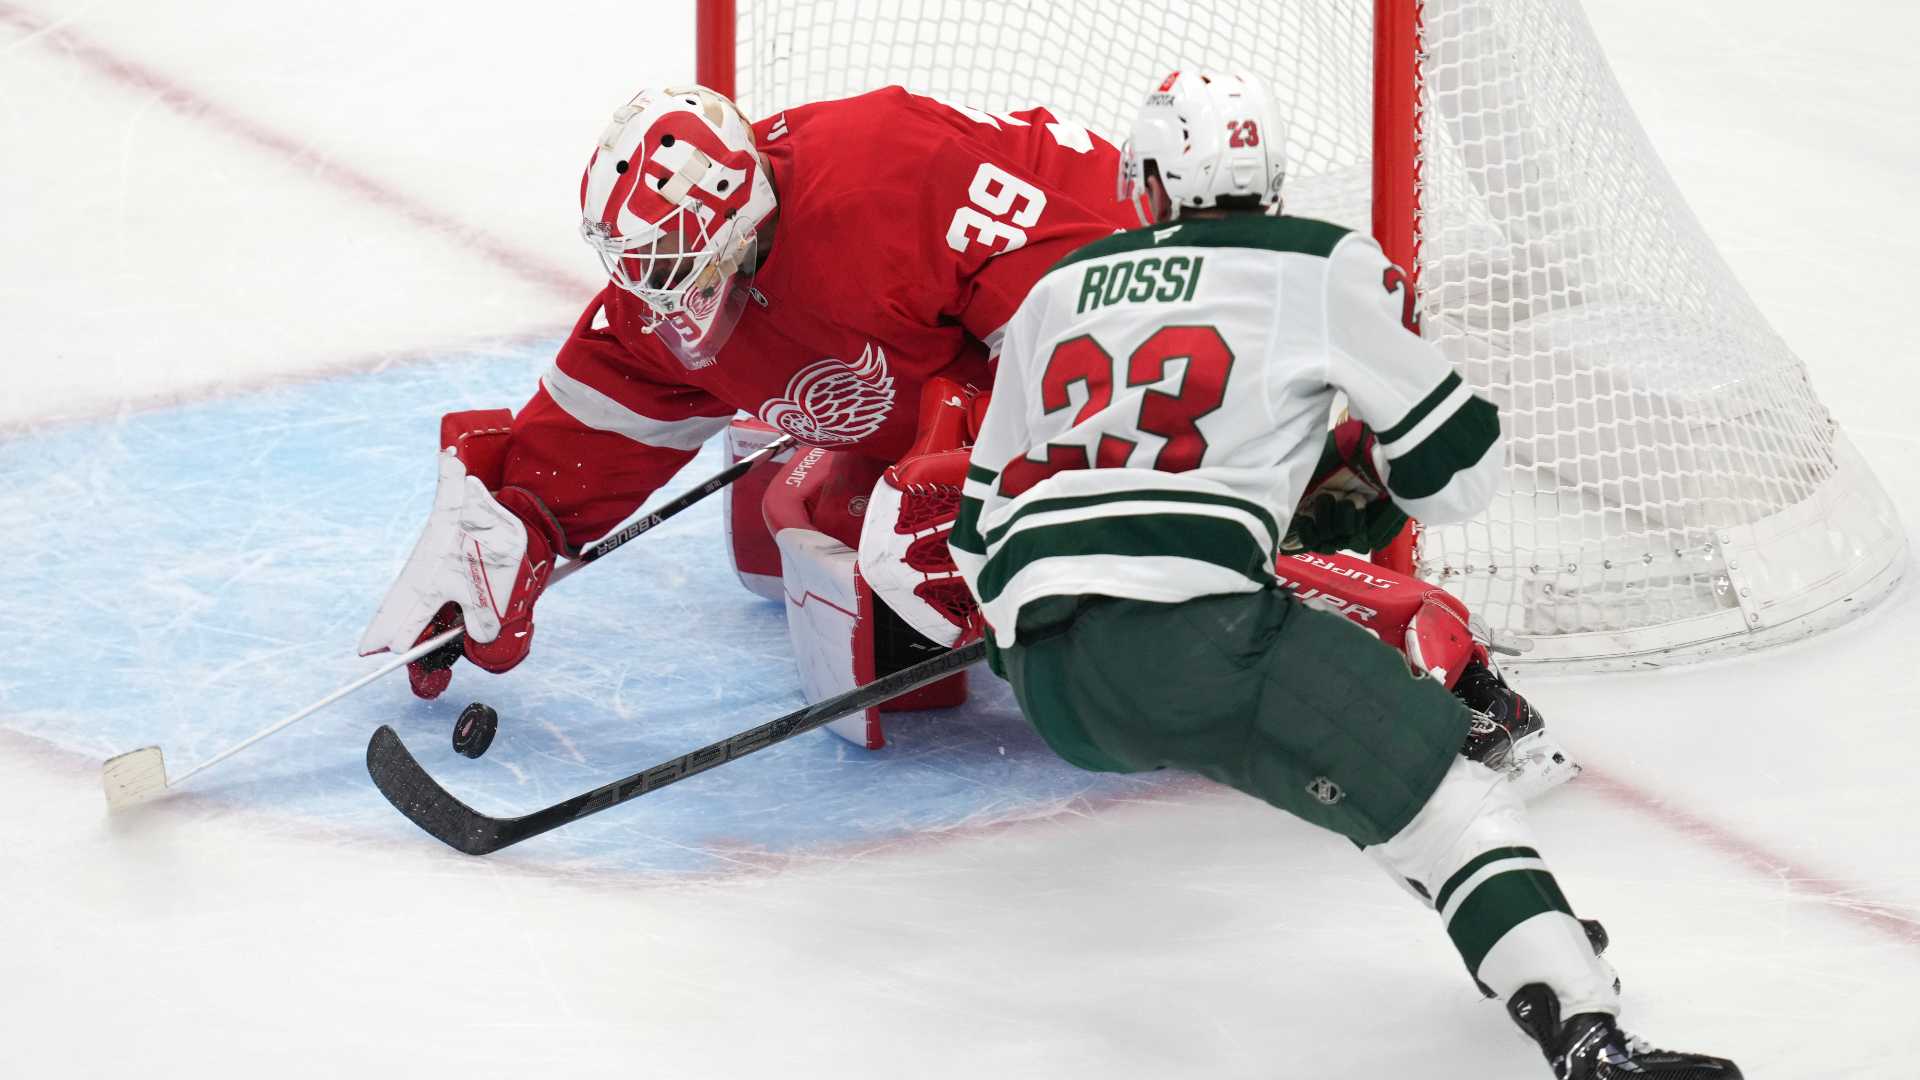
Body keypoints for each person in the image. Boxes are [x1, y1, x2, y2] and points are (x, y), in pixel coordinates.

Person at [353, 79, 1567, 778]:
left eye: (694, 272)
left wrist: (1036, 487)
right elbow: (607, 404)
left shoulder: (889, 172)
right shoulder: (681, 285)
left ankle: (1388, 635)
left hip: (1151, 381)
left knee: (926, 521)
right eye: (650, 274)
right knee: (817, 512)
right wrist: (509, 524)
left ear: (751, 222)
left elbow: (1117, 312)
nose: (677, 306)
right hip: (987, 388)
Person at [949, 70, 1740, 1078]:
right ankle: (1585, 1030)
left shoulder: (1056, 291)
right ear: (1268, 178)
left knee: (1378, 790)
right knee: (1452, 802)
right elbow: (1458, 470)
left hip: (1046, 676)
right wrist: (1371, 466)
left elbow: (978, 533)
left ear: (1145, 183)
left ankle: (1512, 931)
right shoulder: (1317, 261)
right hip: (1201, 643)